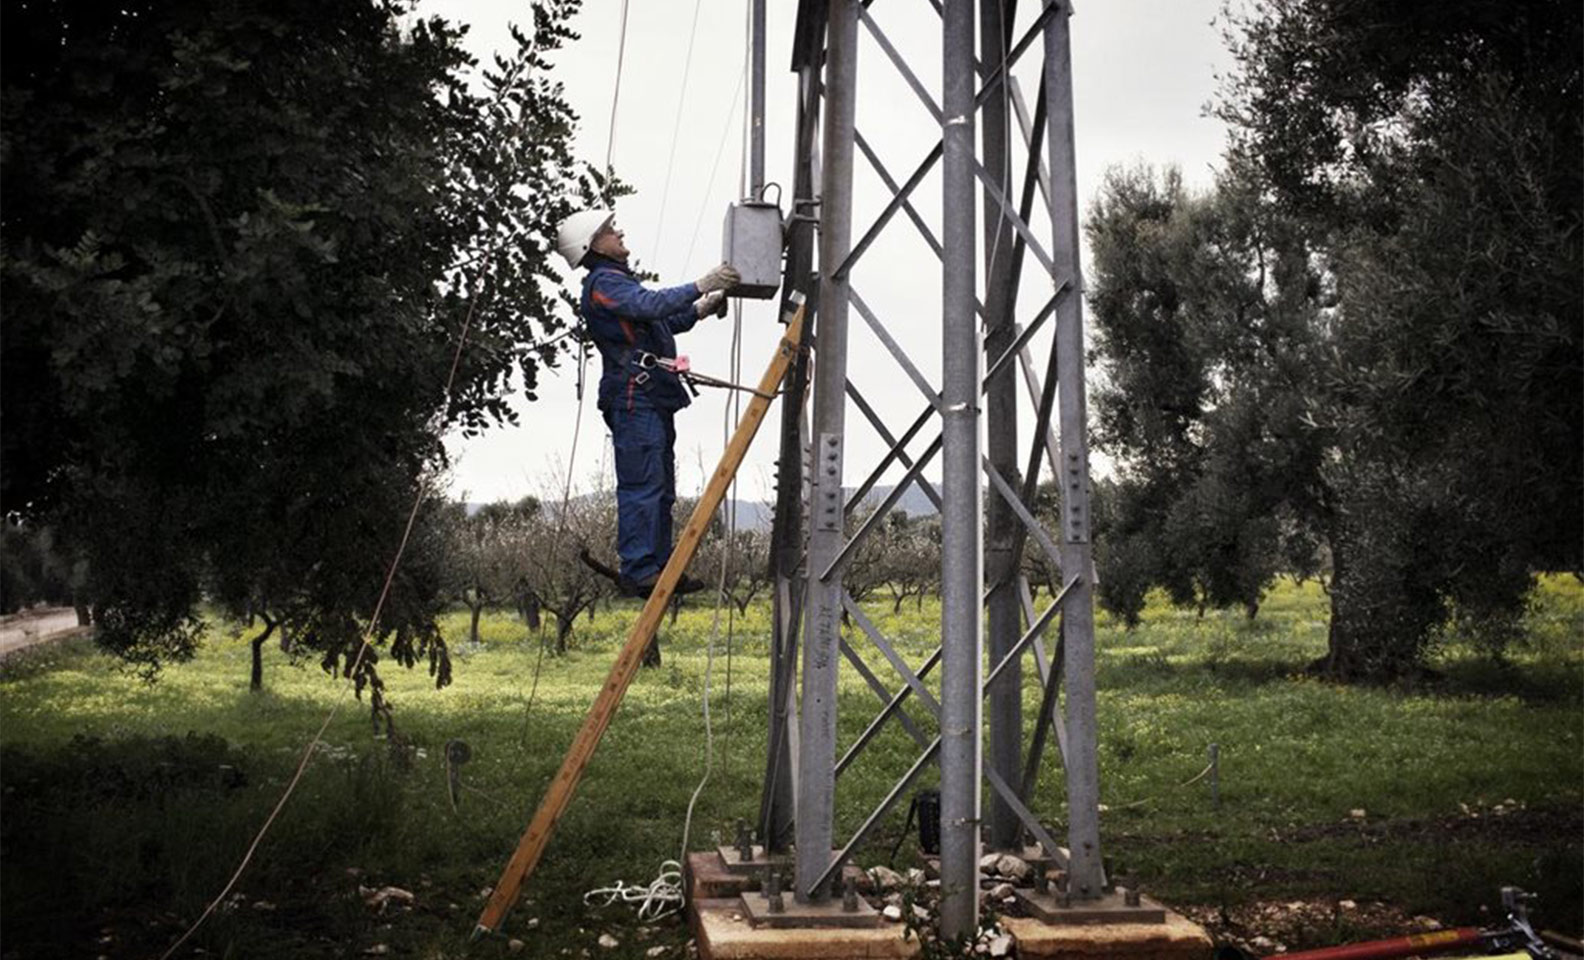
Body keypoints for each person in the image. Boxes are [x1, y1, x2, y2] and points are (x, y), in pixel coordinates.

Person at [555, 208, 740, 598]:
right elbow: (652, 306)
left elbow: (663, 321)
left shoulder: (619, 284)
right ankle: (641, 568)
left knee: (660, 486)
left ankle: (658, 566)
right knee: (643, 484)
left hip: (650, 397)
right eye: (609, 230)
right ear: (593, 245)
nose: (618, 232)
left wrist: (701, 307)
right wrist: (699, 285)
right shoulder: (604, 283)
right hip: (634, 399)